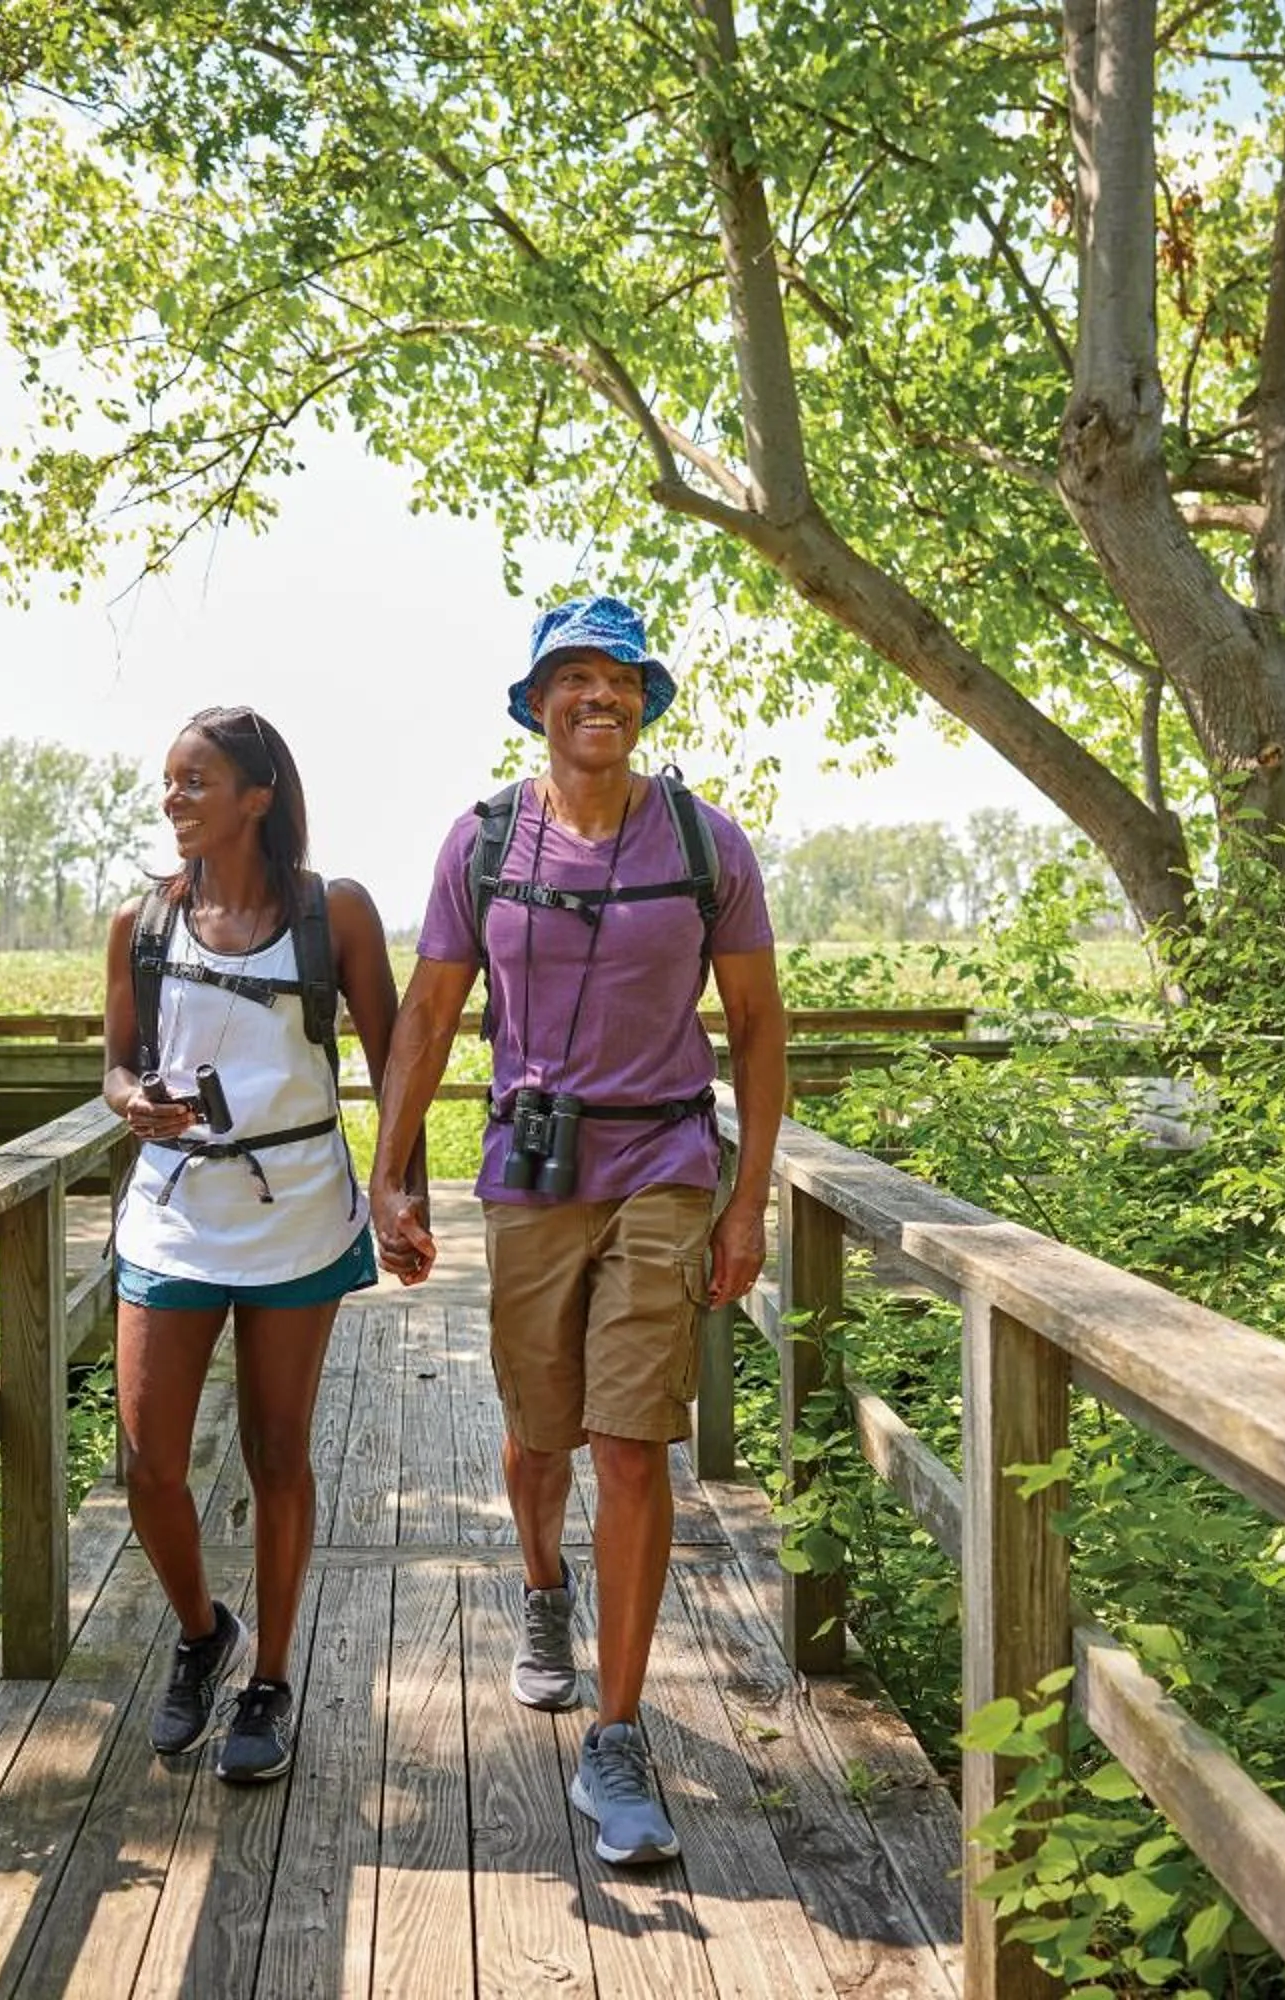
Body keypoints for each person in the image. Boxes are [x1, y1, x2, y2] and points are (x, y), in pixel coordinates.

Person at [368, 595, 784, 1866]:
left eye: (618, 678)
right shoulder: (483, 842)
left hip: (663, 1160)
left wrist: (748, 1198)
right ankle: (543, 1589)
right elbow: (430, 1017)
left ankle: (617, 1728)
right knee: (538, 1433)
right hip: (529, 1171)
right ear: (535, 699)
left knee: (629, 1437)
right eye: (570, 677)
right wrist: (390, 1174)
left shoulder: (707, 843)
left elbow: (761, 1027)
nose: (595, 696)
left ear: (648, 699)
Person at [103, 705, 401, 1783]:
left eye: (197, 782)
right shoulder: (142, 921)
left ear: (258, 796)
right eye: (170, 782)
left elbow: (393, 1057)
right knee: (147, 1463)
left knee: (280, 1451)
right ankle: (200, 1630)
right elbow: (116, 1065)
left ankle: (270, 1677)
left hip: (297, 1210)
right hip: (176, 1210)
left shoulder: (337, 914)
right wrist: (136, 1103)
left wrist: (399, 1185)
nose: (175, 798)